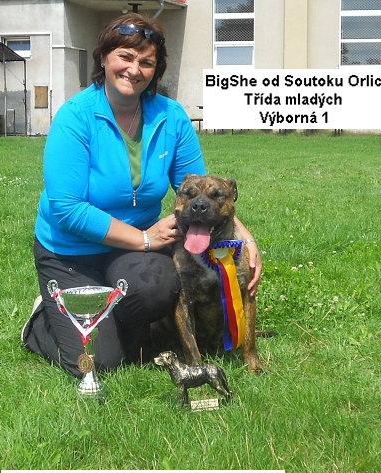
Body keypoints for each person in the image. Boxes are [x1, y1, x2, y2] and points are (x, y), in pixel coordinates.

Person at [21, 13, 262, 378]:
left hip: (130, 253)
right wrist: (144, 239)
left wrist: (242, 236)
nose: (134, 69)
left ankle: (118, 324)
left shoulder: (171, 116)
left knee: (159, 286)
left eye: (146, 62)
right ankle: (44, 318)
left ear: (156, 70)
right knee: (99, 363)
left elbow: (198, 191)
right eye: (125, 56)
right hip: (72, 253)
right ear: (104, 58)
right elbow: (67, 209)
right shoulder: (75, 117)